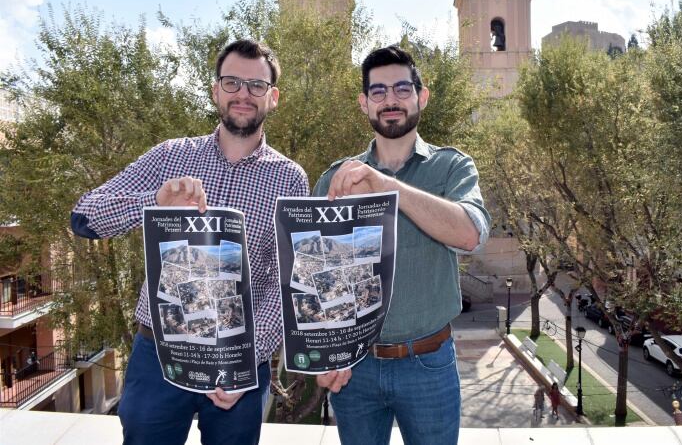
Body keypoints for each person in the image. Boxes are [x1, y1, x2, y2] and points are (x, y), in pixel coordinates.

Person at [71, 39, 309, 444]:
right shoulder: (170, 157)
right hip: (159, 355)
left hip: (240, 359)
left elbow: (285, 281)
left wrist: (249, 359)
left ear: (273, 97)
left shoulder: (291, 179)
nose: (243, 95)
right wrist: (155, 200)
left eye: (256, 86)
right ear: (216, 90)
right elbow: (85, 216)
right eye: (232, 83)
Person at [313, 45, 490, 445]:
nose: (390, 100)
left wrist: (384, 185)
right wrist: (324, 355)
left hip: (428, 363)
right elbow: (317, 277)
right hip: (354, 369)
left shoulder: (452, 167)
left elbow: (470, 235)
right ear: (364, 103)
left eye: (401, 89)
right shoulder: (336, 179)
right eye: (378, 92)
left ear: (421, 96)